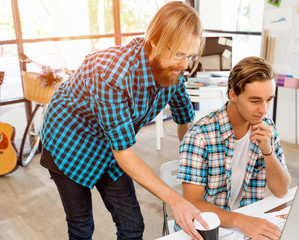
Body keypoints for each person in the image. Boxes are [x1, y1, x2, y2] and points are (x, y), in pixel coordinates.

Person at [39, 2, 208, 239]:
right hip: (69, 144)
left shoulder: (174, 71)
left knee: (132, 226)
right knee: (81, 225)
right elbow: (125, 154)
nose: (185, 65)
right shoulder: (112, 74)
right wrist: (176, 200)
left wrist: (191, 164)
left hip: (111, 146)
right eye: (180, 54)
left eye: (190, 55)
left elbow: (185, 122)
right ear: (155, 41)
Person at [177, 56, 291, 240]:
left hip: (248, 221)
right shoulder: (199, 137)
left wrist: (268, 151)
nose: (264, 109)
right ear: (233, 95)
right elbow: (193, 202)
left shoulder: (266, 127)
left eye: (269, 99)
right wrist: (242, 221)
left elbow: (282, 190)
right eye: (255, 101)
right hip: (207, 228)